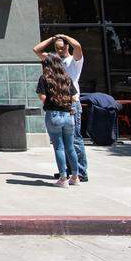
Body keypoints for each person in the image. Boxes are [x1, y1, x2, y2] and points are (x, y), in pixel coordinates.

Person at [33, 34, 87, 182]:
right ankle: (72, 173)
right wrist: (53, 38)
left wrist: (64, 37)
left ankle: (78, 172)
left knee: (68, 143)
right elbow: (36, 50)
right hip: (68, 105)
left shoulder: (73, 61)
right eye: (57, 48)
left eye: (62, 47)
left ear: (67, 46)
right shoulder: (61, 72)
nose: (60, 50)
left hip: (65, 106)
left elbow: (78, 47)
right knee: (68, 143)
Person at [36, 53, 81, 187]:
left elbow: (42, 97)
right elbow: (74, 97)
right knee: (70, 147)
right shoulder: (66, 78)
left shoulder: (44, 78)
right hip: (68, 115)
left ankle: (63, 178)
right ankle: (75, 177)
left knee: (59, 147)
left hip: (53, 115)